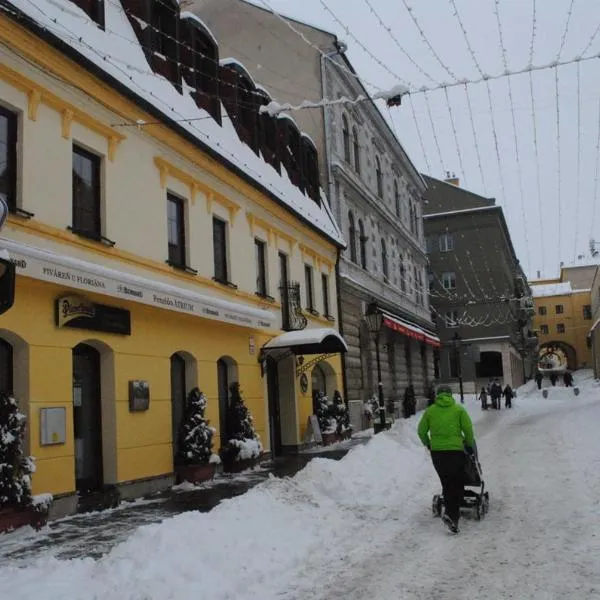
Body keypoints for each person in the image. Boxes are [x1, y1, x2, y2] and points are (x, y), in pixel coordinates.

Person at [418, 384, 475, 534]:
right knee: (455, 482)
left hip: (437, 453)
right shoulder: (459, 410)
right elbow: (468, 430)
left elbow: (421, 430)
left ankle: (451, 510)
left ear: (437, 395)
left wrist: (428, 443)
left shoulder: (430, 411)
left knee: (447, 481)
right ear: (450, 395)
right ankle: (452, 517)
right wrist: (469, 445)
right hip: (456, 451)